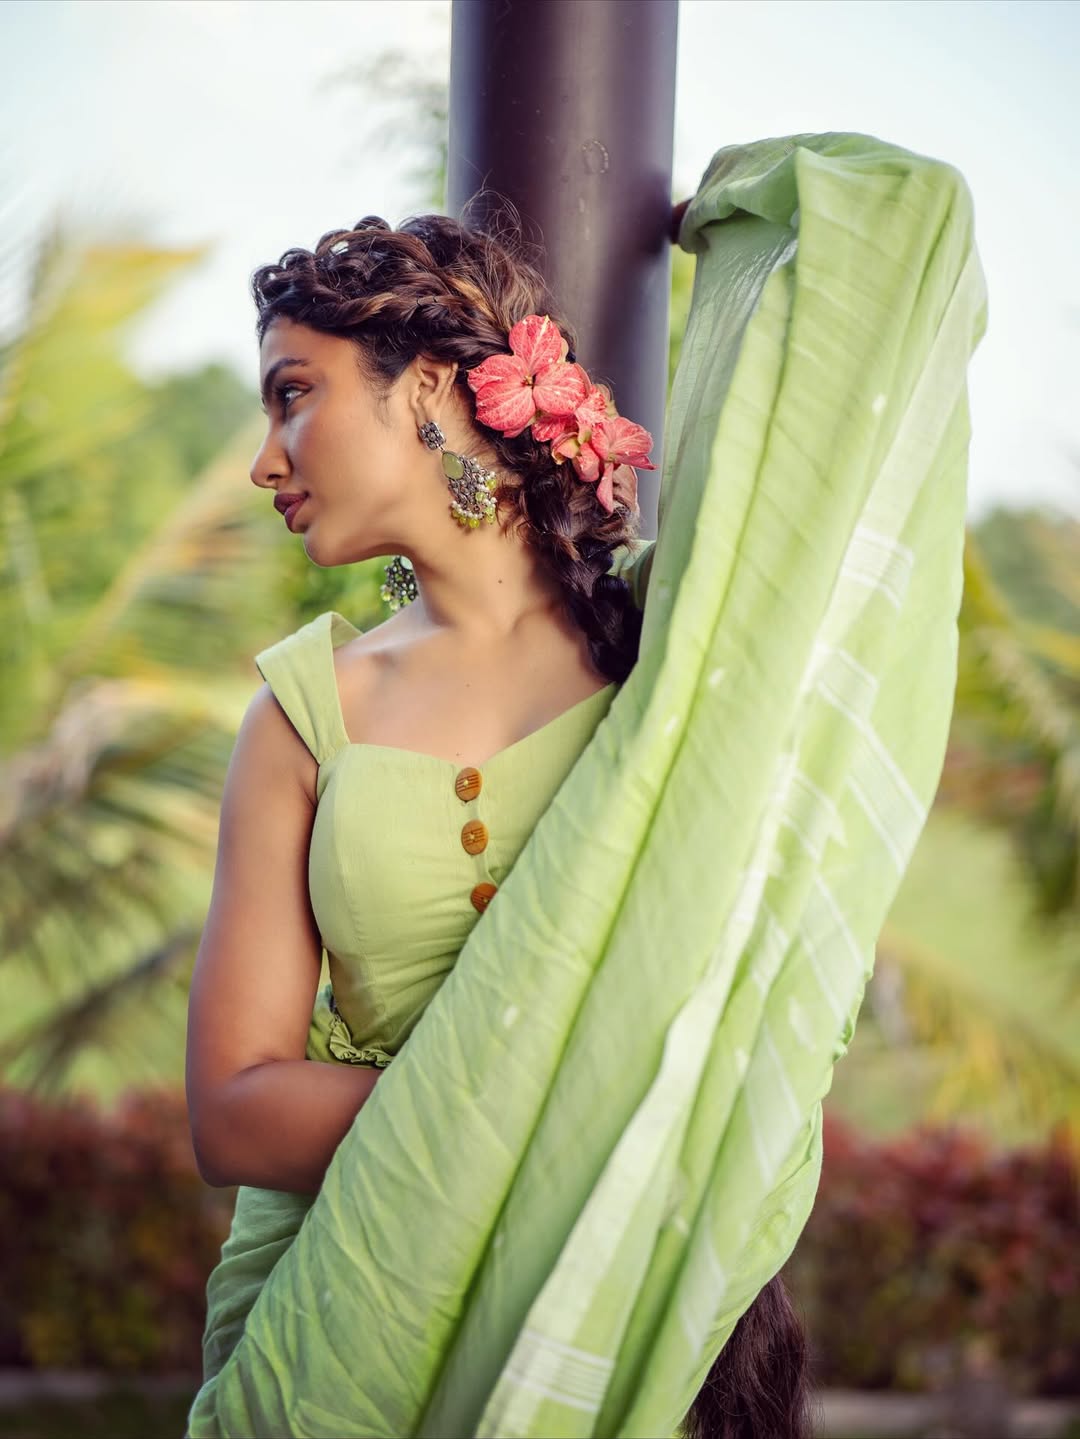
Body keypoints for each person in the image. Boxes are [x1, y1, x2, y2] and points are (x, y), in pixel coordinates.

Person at [185, 212, 812, 1437]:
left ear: (427, 387)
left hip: (618, 1293)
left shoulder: (660, 655)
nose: (265, 461)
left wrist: (750, 213)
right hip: (341, 1312)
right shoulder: (303, 715)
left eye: (293, 394)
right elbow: (232, 1109)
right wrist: (548, 1124)